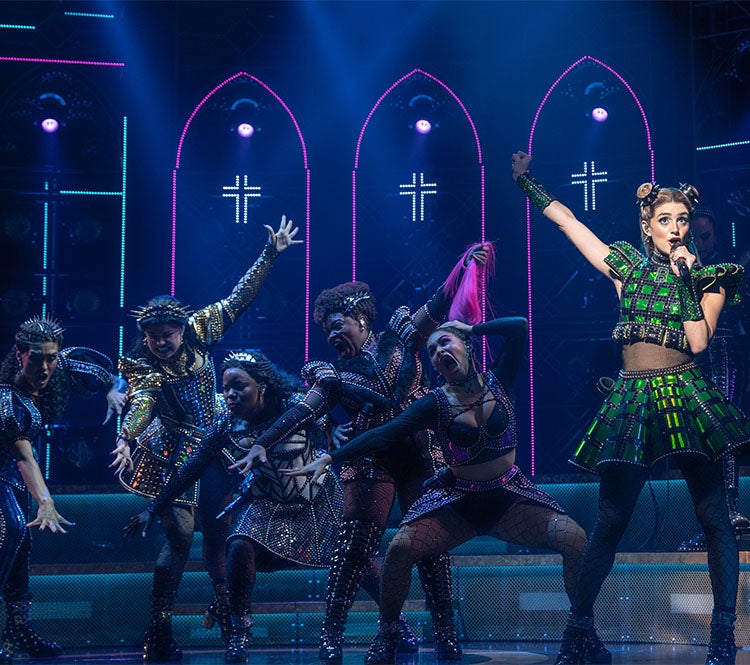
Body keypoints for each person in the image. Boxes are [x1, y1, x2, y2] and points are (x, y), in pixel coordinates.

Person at [511, 150, 750, 665]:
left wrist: (686, 278)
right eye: (666, 220)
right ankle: (578, 632)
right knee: (611, 519)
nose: (676, 229)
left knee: (713, 516)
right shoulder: (626, 267)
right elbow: (571, 224)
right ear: (648, 225)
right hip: (633, 397)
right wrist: (527, 182)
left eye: (682, 219)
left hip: (685, 393)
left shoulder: (712, 278)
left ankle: (722, 635)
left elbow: (698, 340)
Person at [230, 244, 490, 663]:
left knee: (430, 543)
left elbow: (438, 304)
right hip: (372, 457)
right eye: (327, 331)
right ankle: (331, 636)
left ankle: (445, 634)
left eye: (338, 325)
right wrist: (264, 441)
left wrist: (463, 268)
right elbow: (303, 411)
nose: (332, 336)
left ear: (362, 319)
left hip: (421, 451)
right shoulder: (332, 374)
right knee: (354, 546)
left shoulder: (401, 336)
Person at [283, 317, 591, 665]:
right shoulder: (435, 402)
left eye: (445, 342)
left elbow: (519, 326)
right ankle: (387, 635)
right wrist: (331, 457)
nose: (438, 352)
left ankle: (581, 633)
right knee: (400, 549)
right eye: (431, 351)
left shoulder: (500, 379)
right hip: (460, 502)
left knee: (575, 539)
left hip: (508, 499)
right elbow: (385, 433)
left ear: (466, 347)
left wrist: (471, 328)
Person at [110, 216, 302, 662]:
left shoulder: (199, 330)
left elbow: (238, 299)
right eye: (153, 337)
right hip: (173, 448)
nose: (161, 343)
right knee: (180, 537)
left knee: (221, 532)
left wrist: (269, 254)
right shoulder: (143, 366)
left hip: (215, 440)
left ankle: (230, 618)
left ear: (180, 329)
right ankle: (159, 628)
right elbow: (142, 403)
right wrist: (126, 437)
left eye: (167, 336)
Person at [124, 350, 344, 663]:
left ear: (262, 386)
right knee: (239, 544)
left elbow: (326, 418)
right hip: (268, 502)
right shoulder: (226, 424)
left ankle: (394, 624)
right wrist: (154, 507)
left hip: (316, 500)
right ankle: (239, 633)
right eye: (226, 388)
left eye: (239, 386)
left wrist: (333, 431)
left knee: (355, 558)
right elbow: (192, 467)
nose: (229, 394)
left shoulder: (293, 403)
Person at [0, 318, 74, 663]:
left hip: (12, 484)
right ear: (19, 354)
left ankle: (18, 631)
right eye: (36, 359)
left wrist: (112, 389)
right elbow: (23, 456)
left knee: (20, 549)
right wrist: (45, 500)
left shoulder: (50, 371)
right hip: (4, 479)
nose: (45, 368)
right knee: (12, 531)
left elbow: (96, 369)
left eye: (51, 358)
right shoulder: (6, 400)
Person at [679, 206, 750, 550]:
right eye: (695, 237)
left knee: (722, 430)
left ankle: (730, 511)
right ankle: (711, 518)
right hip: (691, 360)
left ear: (716, 236)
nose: (700, 243)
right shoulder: (681, 269)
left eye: (704, 236)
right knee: (699, 439)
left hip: (723, 352)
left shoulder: (726, 269)